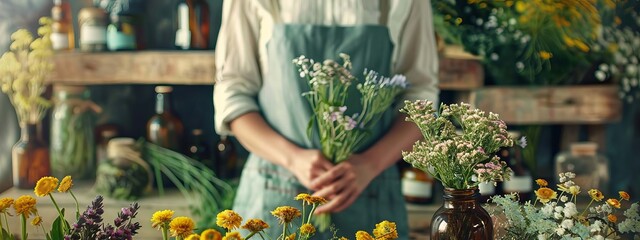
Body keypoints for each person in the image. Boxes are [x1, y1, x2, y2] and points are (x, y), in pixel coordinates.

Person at [213, 0, 439, 238]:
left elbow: (420, 99)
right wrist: (292, 158)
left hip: (370, 198)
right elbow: (233, 94)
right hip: (274, 196)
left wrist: (369, 164)